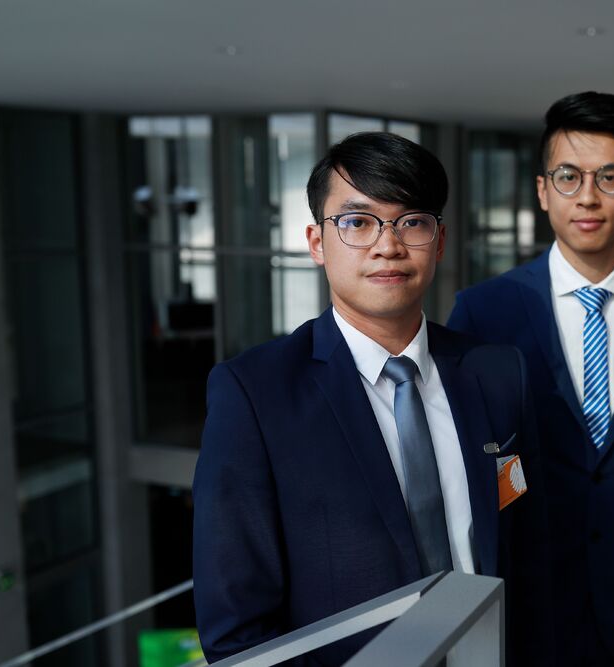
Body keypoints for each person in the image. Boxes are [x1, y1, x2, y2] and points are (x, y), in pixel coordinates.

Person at [193, 132, 551, 666]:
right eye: (358, 222)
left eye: (412, 222)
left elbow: (530, 551)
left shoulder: (497, 372)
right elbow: (236, 637)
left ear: (440, 239)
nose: (389, 245)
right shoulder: (255, 396)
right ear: (317, 242)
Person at [448, 92, 614, 666]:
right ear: (542, 190)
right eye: (568, 176)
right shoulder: (483, 312)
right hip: (526, 598)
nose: (587, 197)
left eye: (609, 177)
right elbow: (471, 456)